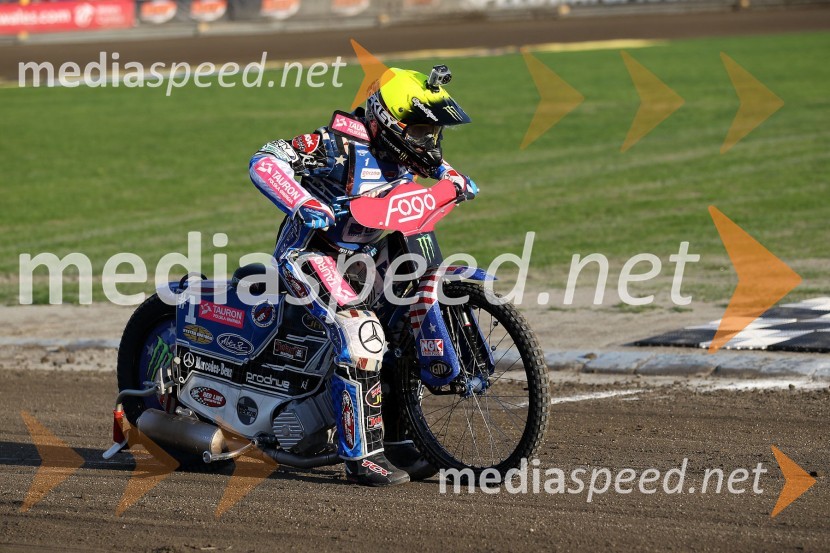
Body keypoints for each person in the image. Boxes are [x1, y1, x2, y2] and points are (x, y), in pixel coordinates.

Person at [248, 65, 478, 486]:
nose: (429, 142)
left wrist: (451, 177)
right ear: (389, 121)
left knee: (404, 326)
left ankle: (399, 439)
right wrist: (301, 202)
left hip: (368, 256)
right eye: (421, 131)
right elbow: (265, 160)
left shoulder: (405, 150)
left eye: (432, 133)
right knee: (362, 336)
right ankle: (361, 456)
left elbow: (434, 168)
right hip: (312, 254)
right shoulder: (335, 144)